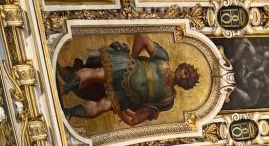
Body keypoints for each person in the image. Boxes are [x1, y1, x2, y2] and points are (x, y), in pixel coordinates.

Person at [58, 32, 199, 125]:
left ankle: (69, 113)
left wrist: (121, 111)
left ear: (184, 86)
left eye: (187, 79)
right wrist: (133, 57)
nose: (184, 76)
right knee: (97, 73)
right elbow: (142, 37)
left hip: (124, 97)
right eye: (187, 72)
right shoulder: (163, 58)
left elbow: (138, 117)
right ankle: (65, 87)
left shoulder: (168, 100)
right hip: (126, 68)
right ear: (182, 66)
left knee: (102, 106)